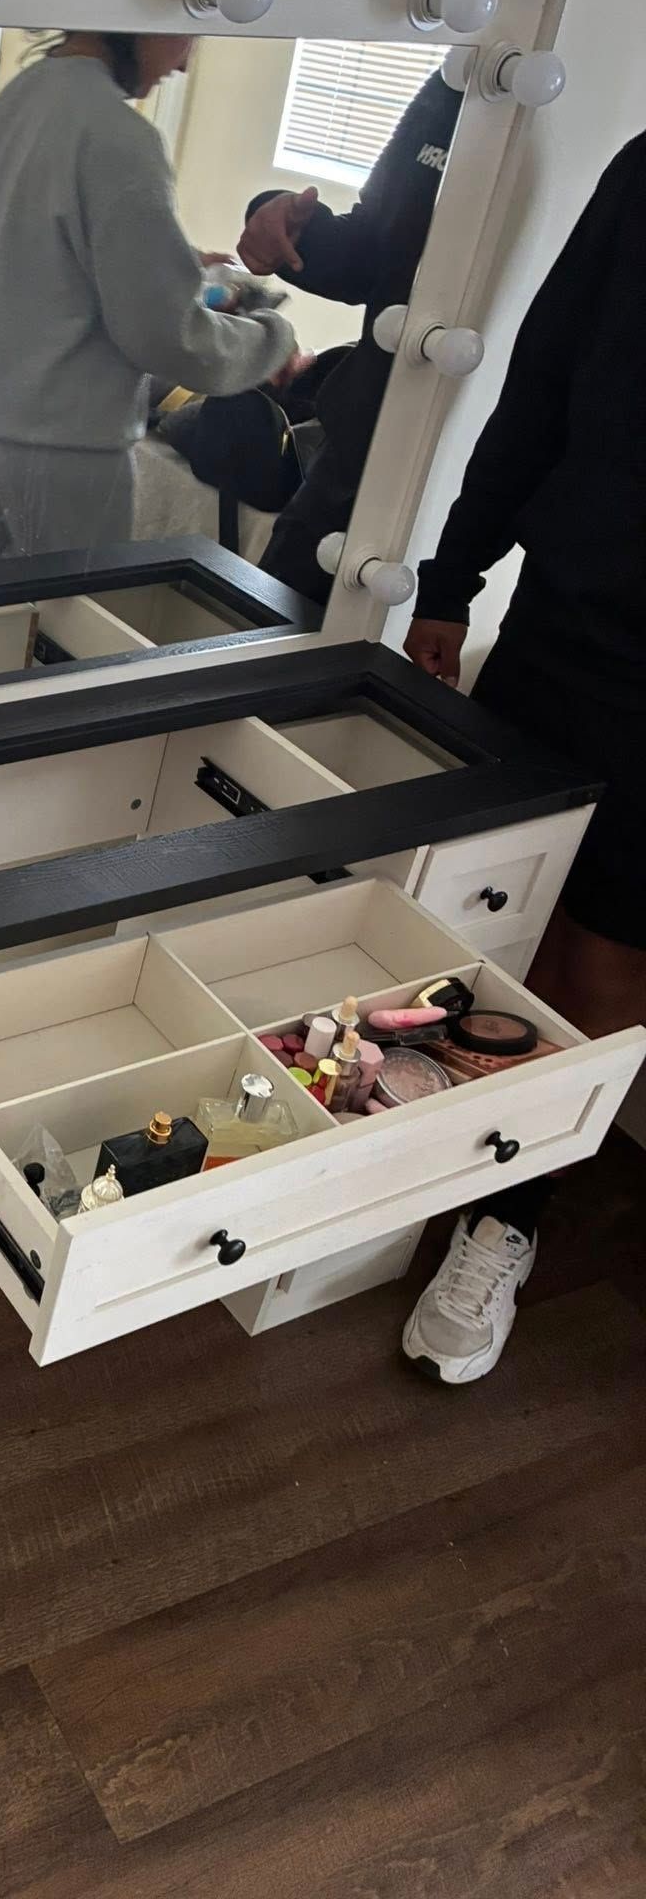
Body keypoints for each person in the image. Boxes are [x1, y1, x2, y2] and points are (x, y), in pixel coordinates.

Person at [398, 130, 646, 1386]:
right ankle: (434, 1149)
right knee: (497, 921)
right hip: (564, 627)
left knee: (610, 958)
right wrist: (453, 575)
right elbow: (542, 383)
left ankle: (509, 1218)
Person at [0, 32, 295, 565]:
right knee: (63, 630)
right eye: (187, 33)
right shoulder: (119, 135)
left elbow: (35, 241)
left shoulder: (18, 100)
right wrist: (273, 341)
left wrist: (180, 260)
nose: (187, 63)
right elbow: (170, 340)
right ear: (139, 16)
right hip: (58, 449)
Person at [237, 62, 463, 602]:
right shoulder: (453, 82)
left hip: (460, 477)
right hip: (352, 454)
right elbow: (376, 249)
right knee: (259, 641)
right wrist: (293, 229)